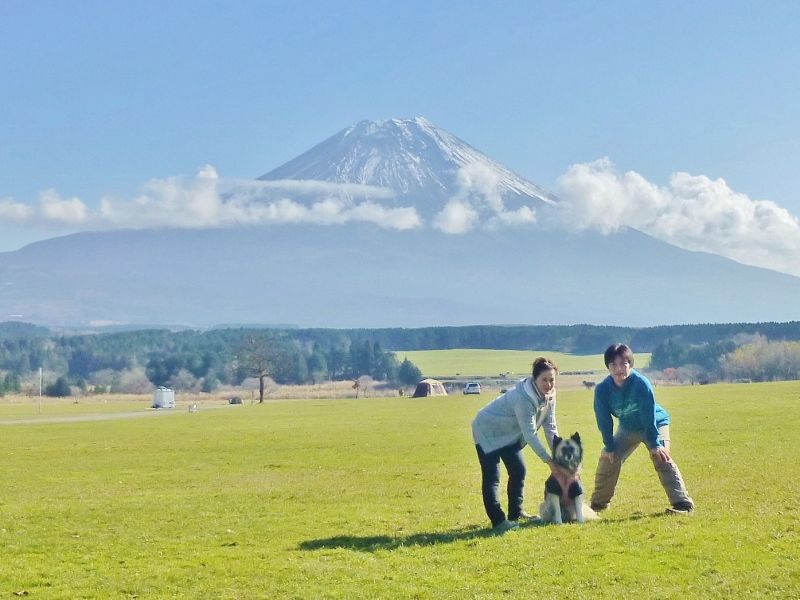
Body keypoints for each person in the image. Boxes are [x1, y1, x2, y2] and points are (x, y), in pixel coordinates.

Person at [590, 343, 695, 515]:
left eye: (623, 363)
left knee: (661, 456)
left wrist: (654, 443)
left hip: (654, 424)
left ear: (630, 364)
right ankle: (598, 504)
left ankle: (683, 504)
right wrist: (609, 446)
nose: (619, 369)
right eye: (613, 365)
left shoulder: (641, 384)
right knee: (608, 458)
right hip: (628, 427)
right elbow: (603, 419)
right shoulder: (602, 390)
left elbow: (648, 414)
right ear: (607, 366)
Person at [471, 357, 571, 532]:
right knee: (492, 478)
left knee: (519, 470)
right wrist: (549, 461)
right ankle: (499, 522)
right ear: (535, 379)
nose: (548, 384)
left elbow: (550, 427)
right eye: (544, 380)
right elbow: (530, 433)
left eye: (552, 380)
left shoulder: (550, 396)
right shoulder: (523, 398)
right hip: (487, 430)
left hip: (510, 434)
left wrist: (559, 455)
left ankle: (515, 514)